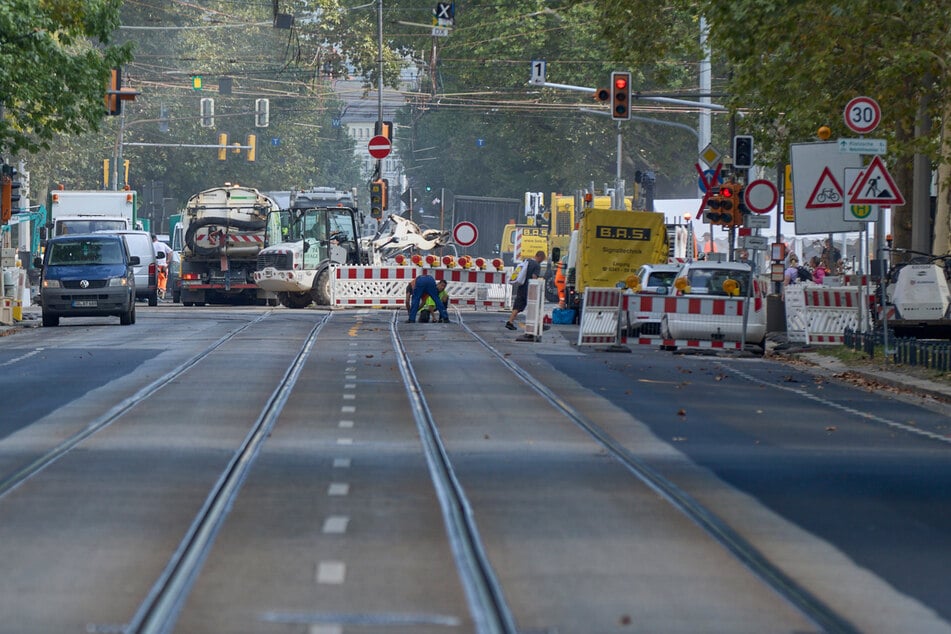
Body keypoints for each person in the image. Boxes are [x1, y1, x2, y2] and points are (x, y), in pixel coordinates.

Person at [506, 250, 545, 330]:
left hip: (521, 286)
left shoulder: (527, 261)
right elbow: (534, 277)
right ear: (540, 257)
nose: (542, 260)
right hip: (529, 288)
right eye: (543, 259)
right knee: (533, 306)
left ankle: (510, 322)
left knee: (518, 305)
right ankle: (536, 324)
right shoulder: (537, 265)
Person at [152, 234, 173, 299]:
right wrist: (168, 261)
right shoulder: (162, 244)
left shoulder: (150, 245)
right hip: (163, 265)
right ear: (156, 238)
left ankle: (157, 292)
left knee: (156, 279)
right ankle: (162, 292)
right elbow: (170, 252)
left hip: (155, 265)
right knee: (163, 279)